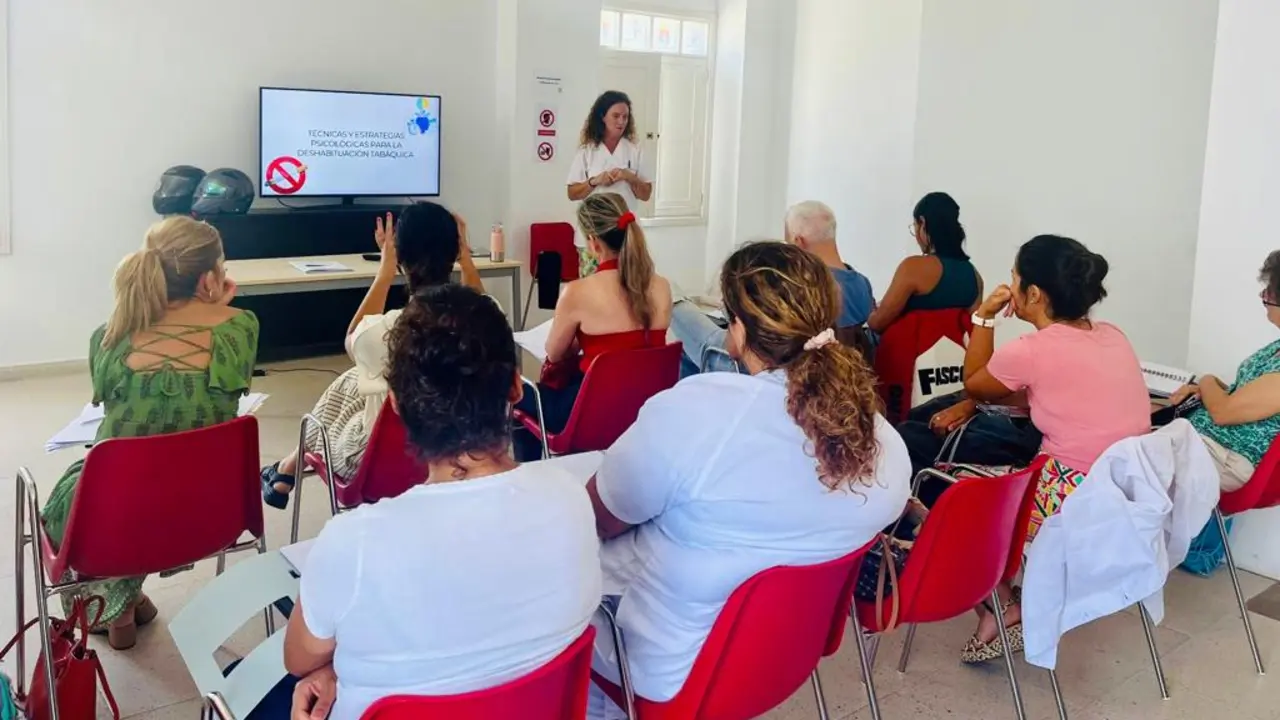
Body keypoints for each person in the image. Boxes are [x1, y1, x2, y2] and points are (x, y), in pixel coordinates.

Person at [584, 242, 911, 717]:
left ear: (736, 327)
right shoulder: (879, 436)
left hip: (668, 673)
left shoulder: (700, 411)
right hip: (782, 660)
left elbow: (603, 516)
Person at [284, 285, 602, 720]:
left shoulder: (353, 542)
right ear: (515, 387)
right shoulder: (571, 500)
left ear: (394, 404)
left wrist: (346, 670)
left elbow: (299, 661)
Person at [41, 216, 258, 650]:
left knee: (96, 488)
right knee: (158, 473)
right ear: (209, 278)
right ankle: (128, 599)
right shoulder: (240, 329)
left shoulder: (110, 337)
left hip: (113, 521)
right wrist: (222, 306)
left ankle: (115, 608)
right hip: (207, 511)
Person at [957, 234, 1149, 663]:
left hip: (1070, 496)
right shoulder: (1113, 335)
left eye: (1015, 278)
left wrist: (984, 318)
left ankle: (1003, 606)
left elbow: (975, 384)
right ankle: (1030, 589)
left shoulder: (1032, 349)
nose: (1010, 286)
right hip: (1124, 496)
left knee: (953, 493)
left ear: (1035, 294)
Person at [260, 202, 486, 507]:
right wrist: (467, 261)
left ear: (401, 258)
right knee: (355, 380)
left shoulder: (390, 330)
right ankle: (287, 467)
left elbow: (352, 339)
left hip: (386, 462)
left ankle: (288, 466)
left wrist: (384, 271)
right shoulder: (487, 319)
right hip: (468, 447)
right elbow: (479, 305)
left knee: (360, 379)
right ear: (455, 251)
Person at [512, 193, 672, 461]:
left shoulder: (578, 292)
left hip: (588, 414)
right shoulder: (662, 286)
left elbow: (554, 354)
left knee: (514, 387)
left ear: (593, 243)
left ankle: (533, 478)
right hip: (645, 411)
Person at [670, 200, 877, 376]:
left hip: (762, 365)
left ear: (798, 241)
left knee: (678, 308)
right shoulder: (862, 284)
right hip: (815, 370)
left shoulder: (803, 286)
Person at [1169, 250, 1280, 491]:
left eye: (1269, 291)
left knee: (1120, 456)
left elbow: (1222, 412)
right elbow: (1242, 393)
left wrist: (1207, 380)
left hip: (1226, 458)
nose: (1263, 295)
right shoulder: (1276, 348)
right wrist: (1205, 389)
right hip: (1207, 444)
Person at [866, 191, 983, 333]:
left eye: (914, 226)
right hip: (958, 354)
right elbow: (976, 331)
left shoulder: (913, 267)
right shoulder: (974, 277)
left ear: (923, 223)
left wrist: (871, 311)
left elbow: (879, 322)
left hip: (910, 353)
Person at [567, 90, 653, 276]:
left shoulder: (635, 151)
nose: (621, 121)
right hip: (592, 235)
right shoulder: (587, 152)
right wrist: (594, 181)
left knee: (625, 290)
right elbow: (572, 193)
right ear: (602, 117)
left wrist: (629, 177)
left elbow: (646, 194)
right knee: (593, 292)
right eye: (616, 116)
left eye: (625, 117)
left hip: (625, 235)